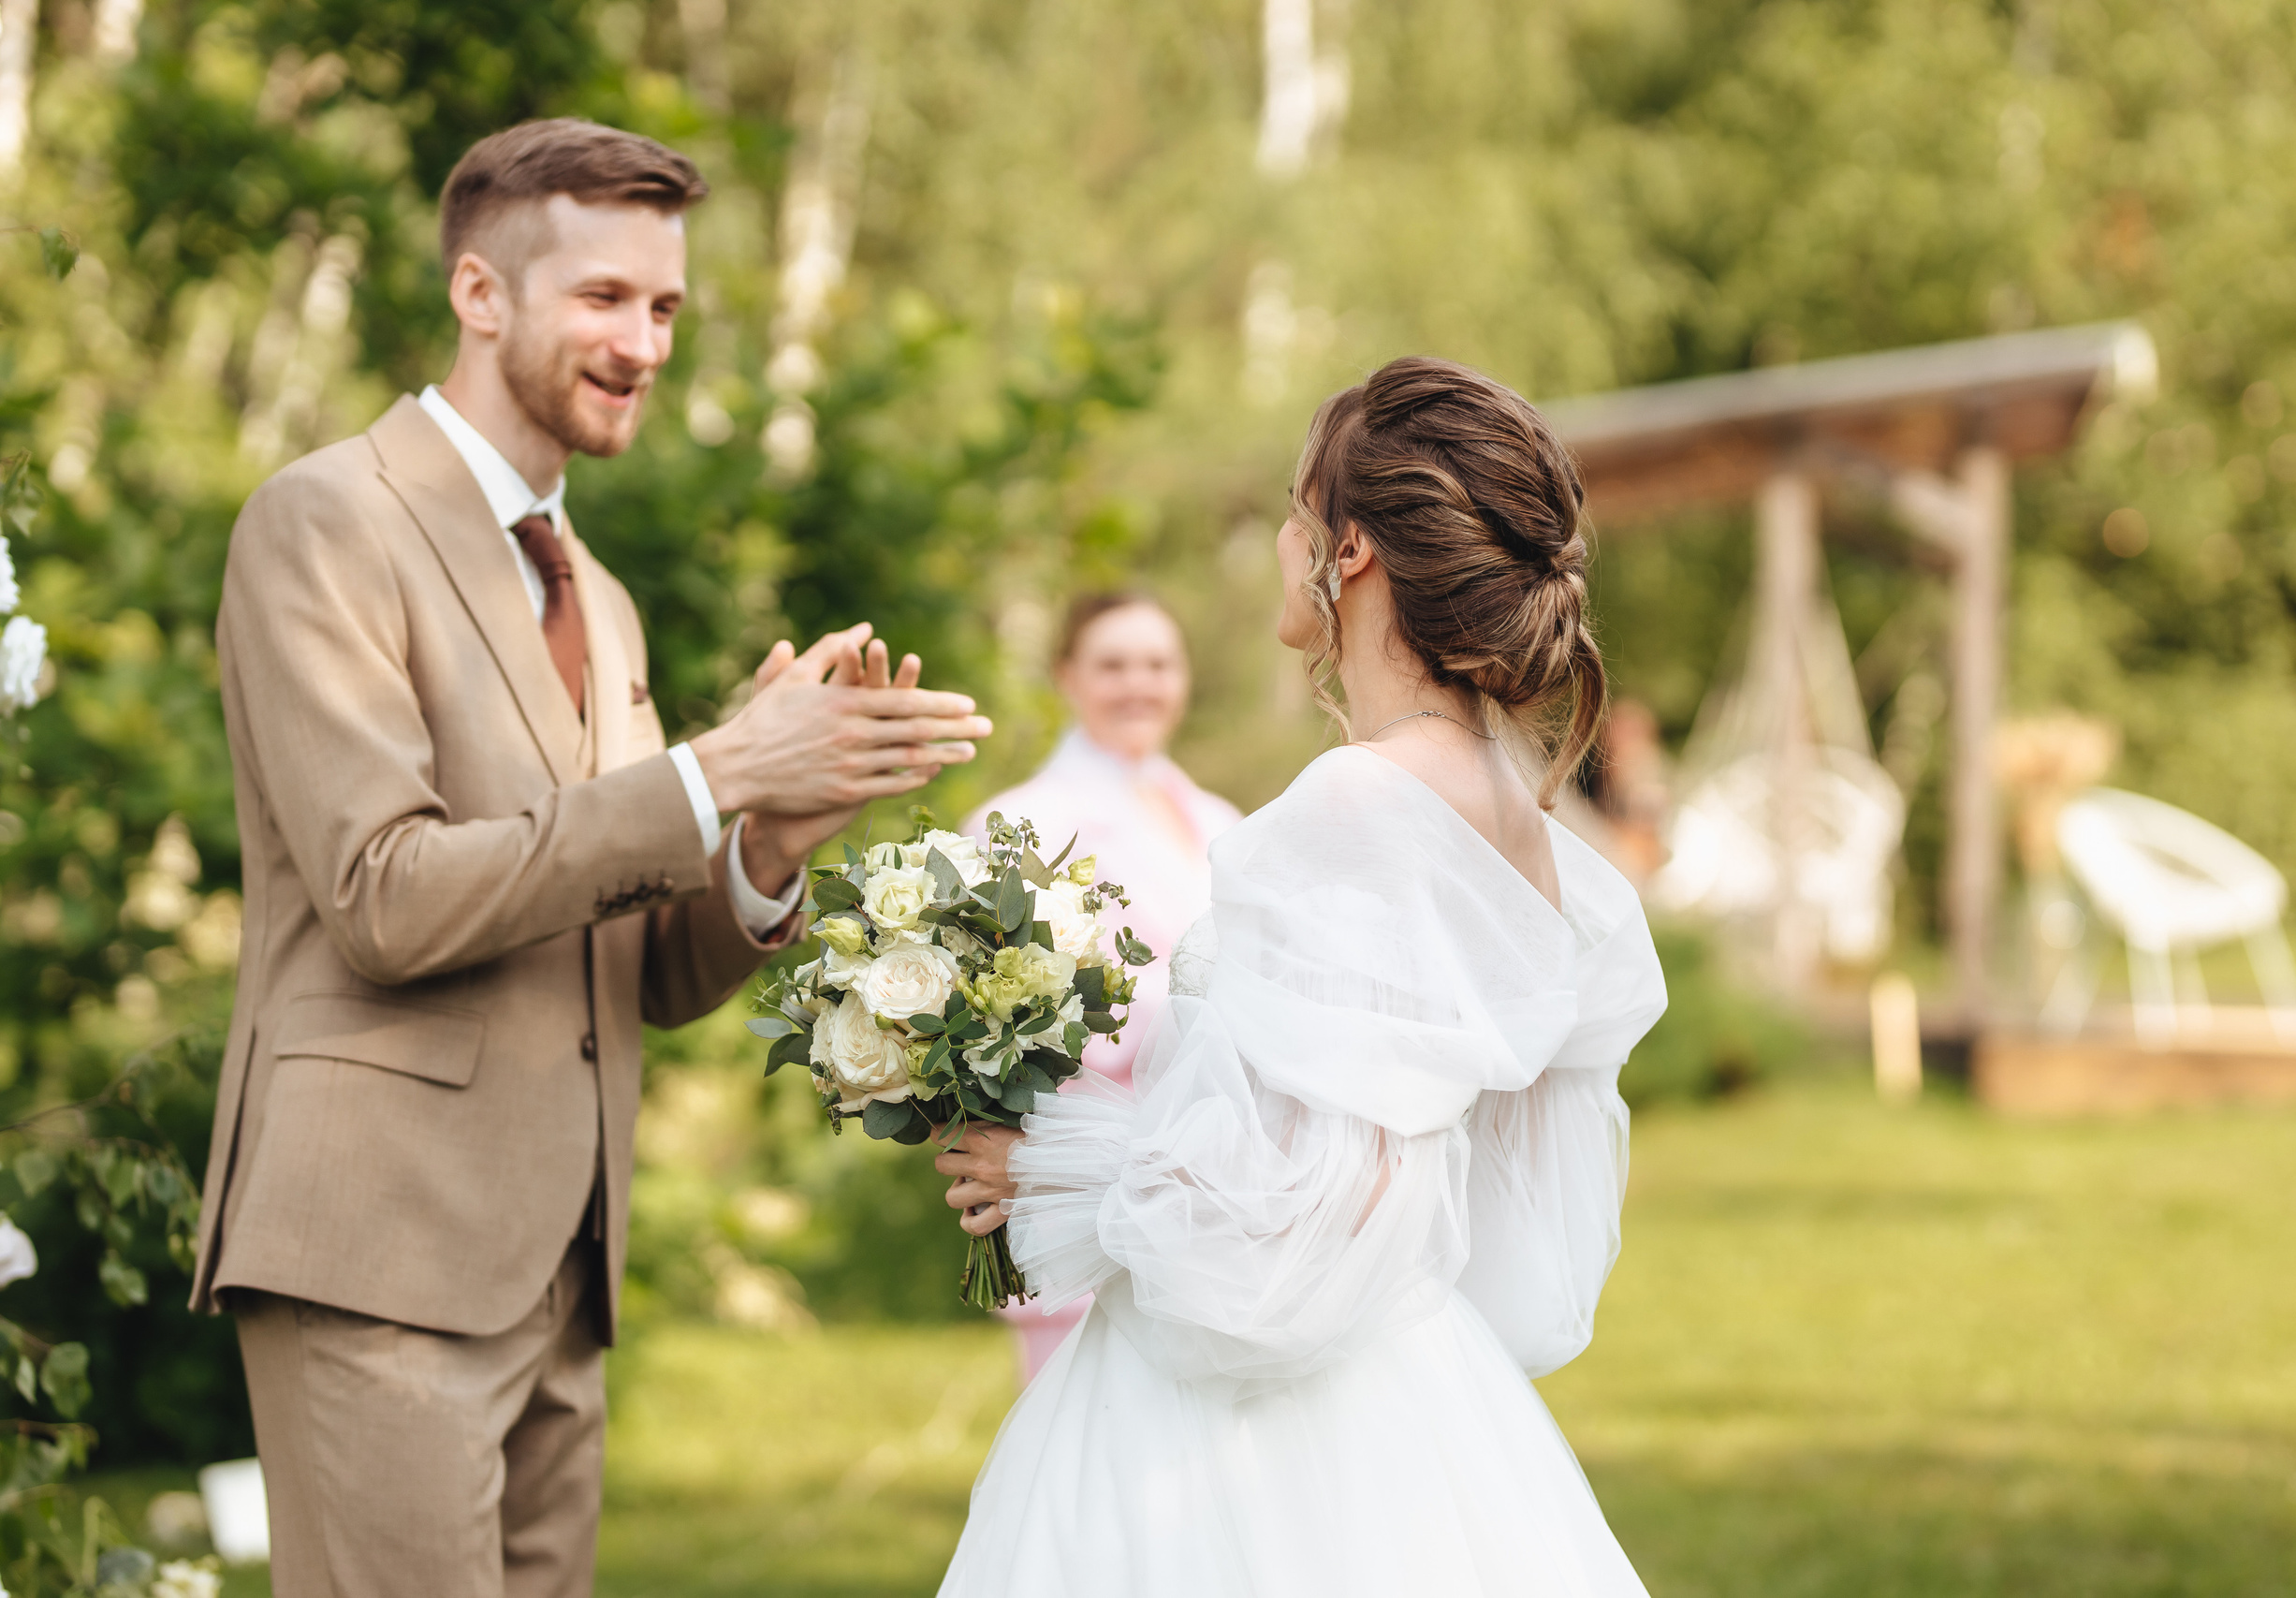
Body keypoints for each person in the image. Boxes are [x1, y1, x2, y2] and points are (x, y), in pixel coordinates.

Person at [188, 120, 990, 1598]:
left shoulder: (598, 596)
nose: (644, 342)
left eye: (667, 307)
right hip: (378, 1257)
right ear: (482, 294)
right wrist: (709, 768)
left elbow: (627, 964)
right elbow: (385, 897)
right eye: (604, 298)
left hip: (562, 1274)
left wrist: (762, 837)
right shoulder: (324, 520)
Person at [932, 357, 1668, 1595]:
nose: (1281, 541)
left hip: (1247, 1446)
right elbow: (1492, 1208)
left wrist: (1051, 1160)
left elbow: (1289, 1229)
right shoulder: (1513, 810)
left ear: (1354, 550)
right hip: (1425, 1397)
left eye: (1293, 509)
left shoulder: (1358, 798)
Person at [974, 593, 1242, 1378]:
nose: (1139, 685)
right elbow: (1018, 1019)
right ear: (1066, 675)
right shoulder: (1017, 824)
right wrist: (1204, 1007)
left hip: (1218, 1173)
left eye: (1158, 664)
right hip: (1089, 1170)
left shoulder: (1221, 820)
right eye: (1112, 665)